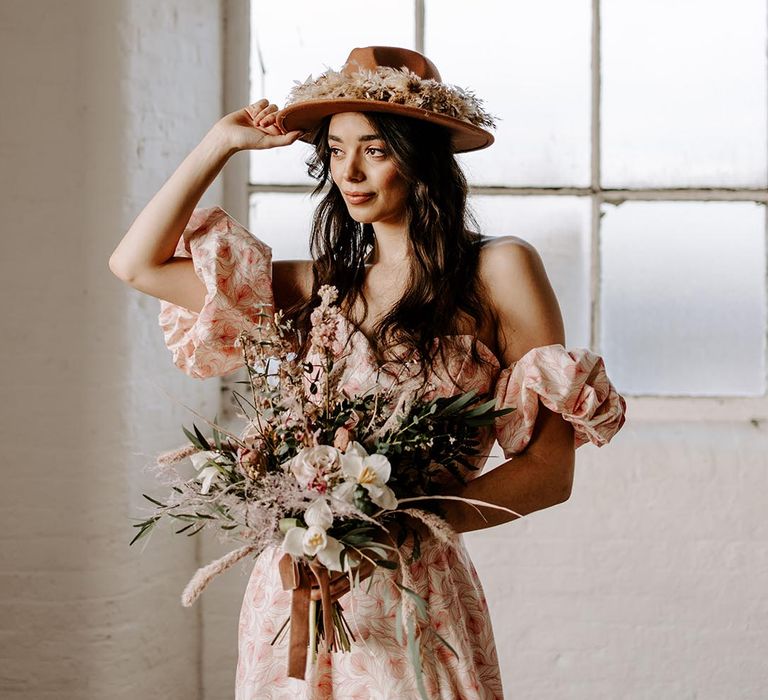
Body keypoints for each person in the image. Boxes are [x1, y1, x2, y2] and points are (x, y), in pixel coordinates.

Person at [109, 46, 626, 699]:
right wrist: (218, 143)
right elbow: (136, 264)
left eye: (375, 150)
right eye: (334, 149)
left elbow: (550, 474)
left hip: (413, 588)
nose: (349, 171)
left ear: (423, 160)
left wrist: (396, 519)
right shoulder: (317, 288)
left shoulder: (499, 270)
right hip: (296, 587)